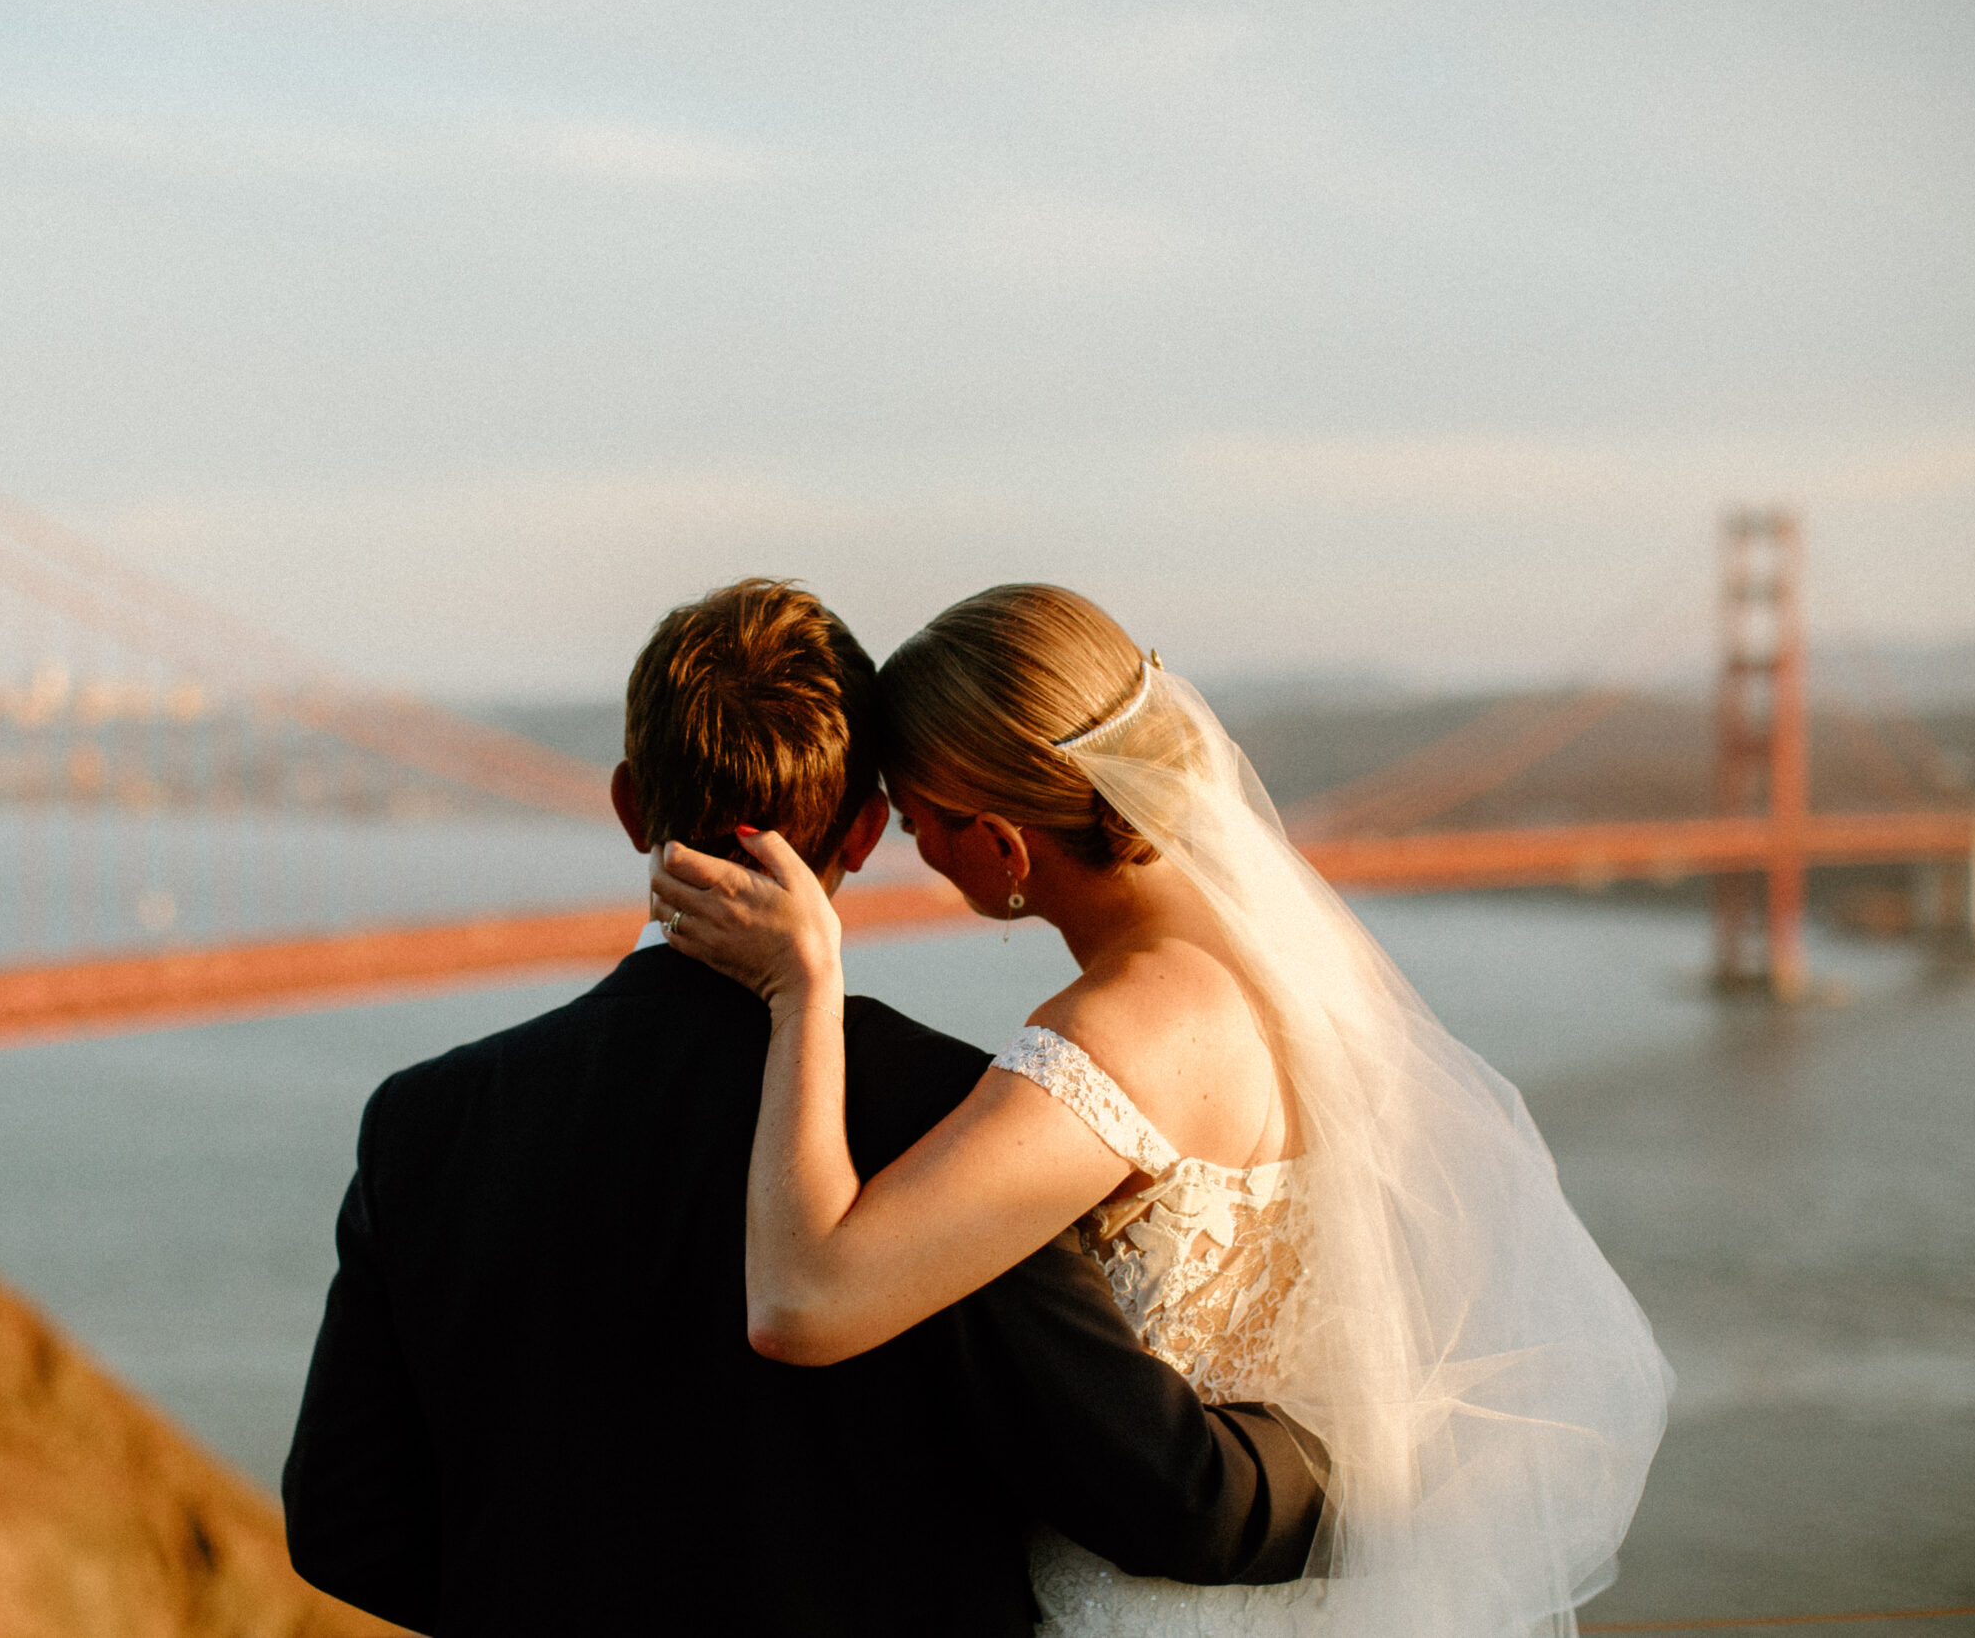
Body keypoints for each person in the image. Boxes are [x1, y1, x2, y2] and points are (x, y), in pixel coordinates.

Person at [281, 579, 1329, 1638]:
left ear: (630, 805)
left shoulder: (424, 1123)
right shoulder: (955, 1117)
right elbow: (1136, 1479)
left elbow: (342, 1523)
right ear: (868, 829)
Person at [650, 584, 1672, 1638]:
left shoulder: (1117, 1035)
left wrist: (802, 988)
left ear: (1003, 847)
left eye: (915, 821)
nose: (910, 849)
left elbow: (803, 1305)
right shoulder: (1306, 981)